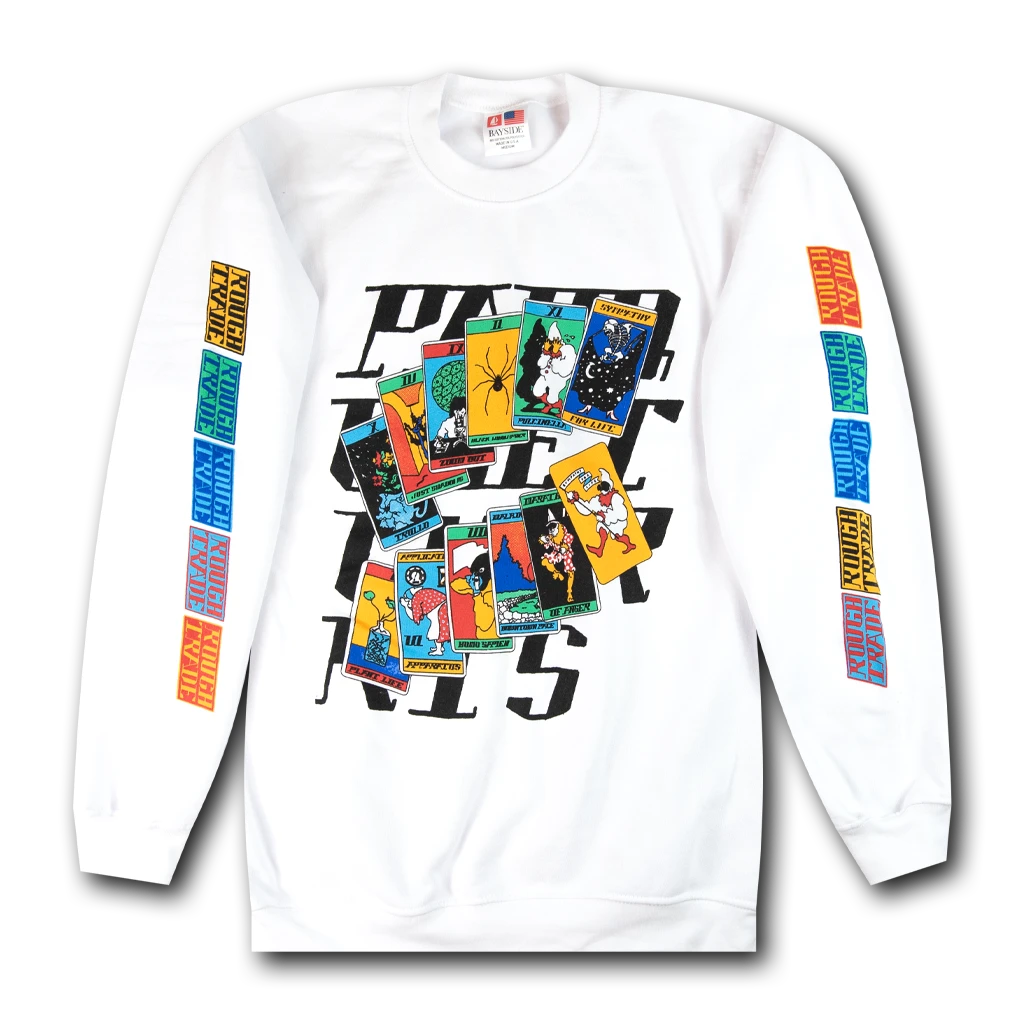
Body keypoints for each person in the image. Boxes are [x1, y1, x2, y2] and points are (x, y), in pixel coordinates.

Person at [565, 469, 637, 557]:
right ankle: (600, 550)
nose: (603, 490)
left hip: (618, 522)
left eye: (605, 487)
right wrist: (577, 500)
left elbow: (622, 514)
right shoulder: (597, 499)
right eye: (601, 488)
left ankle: (629, 545)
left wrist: (605, 516)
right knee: (602, 530)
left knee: (618, 536)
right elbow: (587, 510)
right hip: (605, 522)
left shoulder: (616, 497)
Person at [399, 565, 451, 656]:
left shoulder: (416, 598)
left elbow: (415, 618)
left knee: (436, 630)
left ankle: (439, 650)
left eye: (408, 601)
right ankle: (440, 647)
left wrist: (405, 606)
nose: (409, 604)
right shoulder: (421, 594)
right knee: (438, 629)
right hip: (443, 608)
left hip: (441, 611)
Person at [532, 322, 576, 414]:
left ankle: (560, 407)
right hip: (545, 376)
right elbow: (540, 364)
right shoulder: (547, 349)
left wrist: (556, 356)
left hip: (558, 380)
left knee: (552, 399)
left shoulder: (568, 350)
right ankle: (548, 405)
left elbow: (563, 371)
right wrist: (545, 353)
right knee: (537, 391)